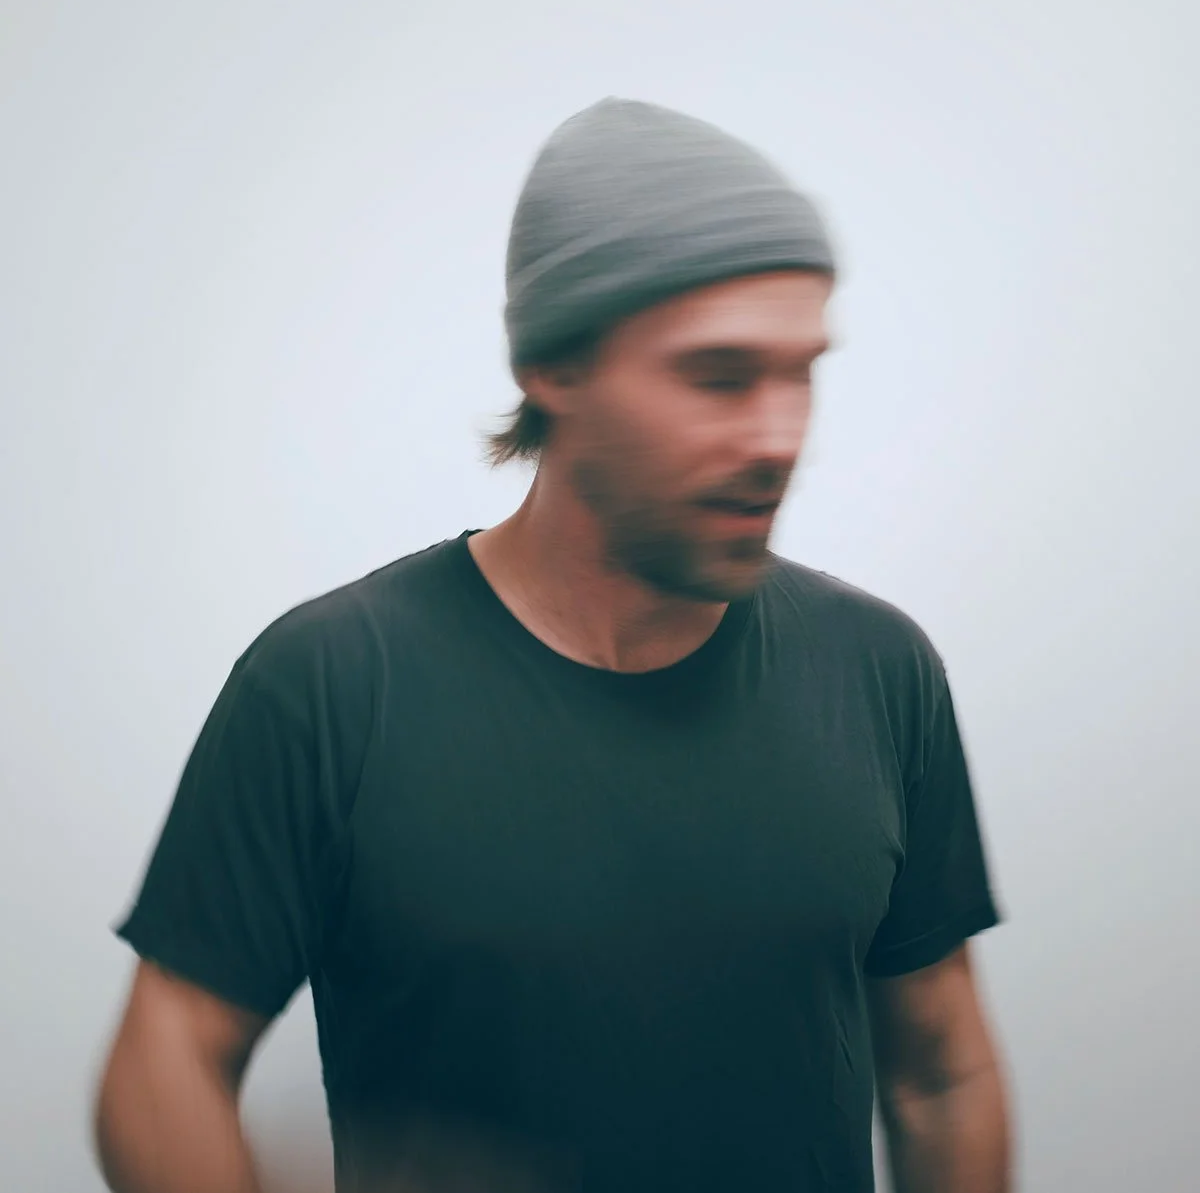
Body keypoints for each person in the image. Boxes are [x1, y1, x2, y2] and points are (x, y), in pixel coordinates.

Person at [94, 97, 1012, 1193]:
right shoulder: (331, 683)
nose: (780, 436)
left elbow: (941, 1072)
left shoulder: (878, 670)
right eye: (720, 375)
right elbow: (167, 1055)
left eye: (800, 370)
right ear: (556, 367)